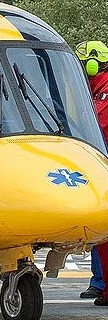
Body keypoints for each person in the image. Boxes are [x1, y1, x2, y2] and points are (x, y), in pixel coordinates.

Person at [75, 40, 108, 306]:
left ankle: (101, 285)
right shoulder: (95, 91)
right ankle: (99, 284)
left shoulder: (104, 93)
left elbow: (96, 126)